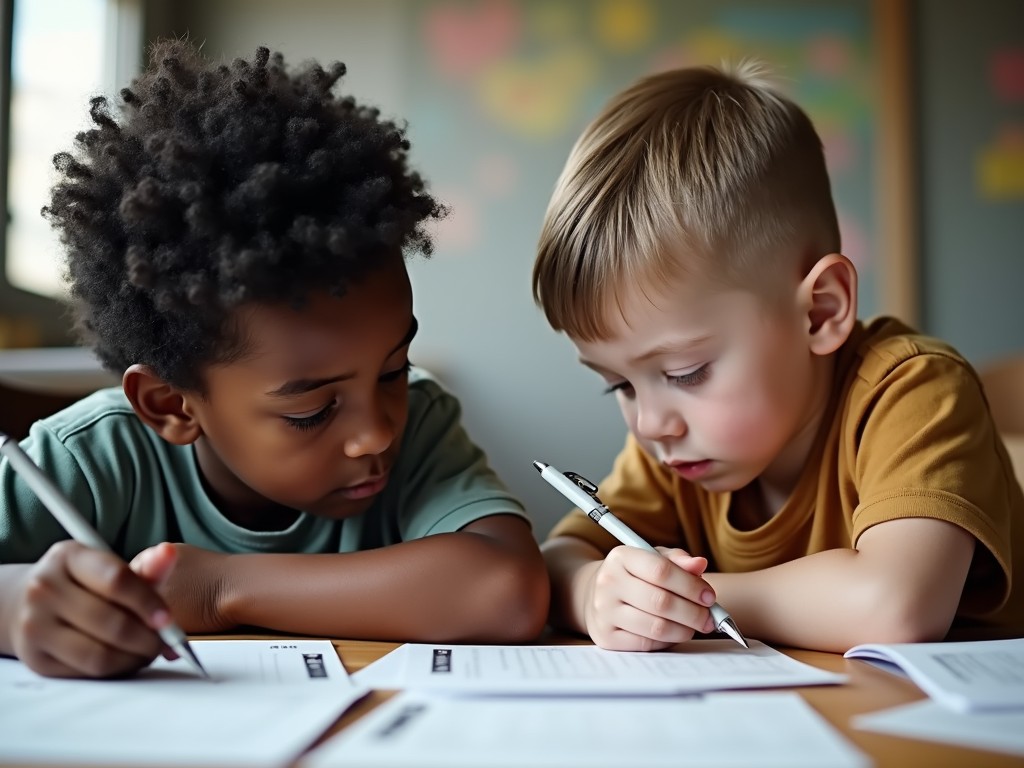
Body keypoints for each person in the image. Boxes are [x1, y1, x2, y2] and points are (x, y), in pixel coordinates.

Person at [0, 39, 548, 679]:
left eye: (394, 369)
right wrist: (17, 608)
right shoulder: (91, 461)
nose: (376, 431)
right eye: (313, 410)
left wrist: (221, 588)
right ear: (171, 404)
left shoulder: (420, 424)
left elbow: (507, 589)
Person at [532, 61, 1023, 653]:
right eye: (621, 387)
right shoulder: (675, 452)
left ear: (820, 311)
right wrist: (594, 592)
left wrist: (689, 600)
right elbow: (558, 559)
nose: (650, 423)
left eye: (686, 373)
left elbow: (896, 607)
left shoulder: (914, 390)